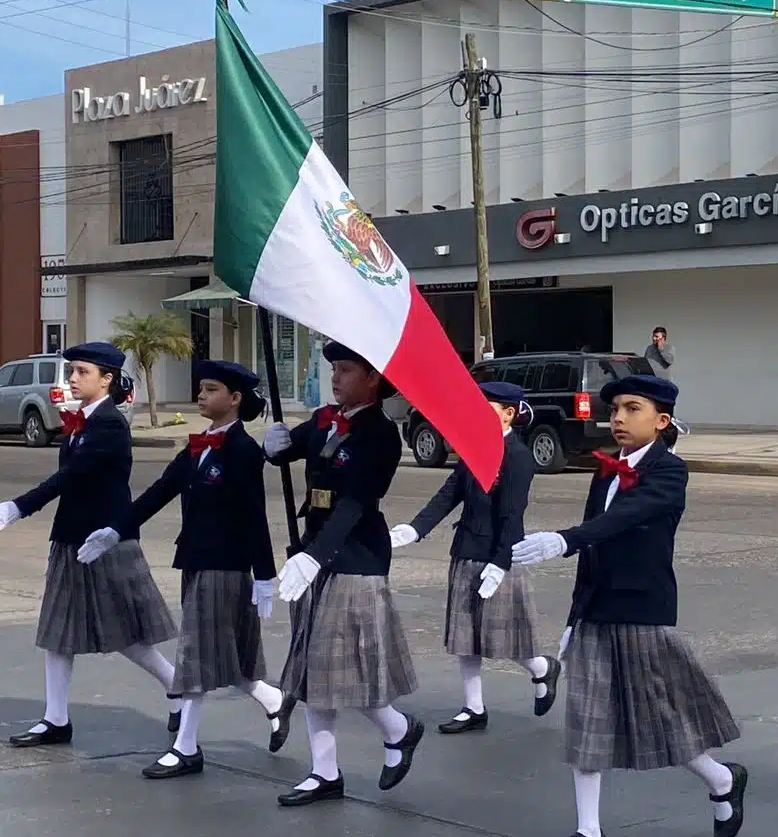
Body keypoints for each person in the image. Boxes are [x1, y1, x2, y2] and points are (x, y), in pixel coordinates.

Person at [511, 374, 747, 837]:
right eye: (615, 408)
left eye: (631, 408)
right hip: (597, 609)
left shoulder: (670, 471)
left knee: (662, 714)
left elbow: (624, 518)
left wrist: (564, 540)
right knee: (588, 718)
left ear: (661, 421)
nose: (618, 417)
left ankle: (722, 780)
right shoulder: (605, 469)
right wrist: (574, 617)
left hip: (643, 608)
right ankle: (588, 828)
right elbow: (596, 543)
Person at [88, 360, 296, 779]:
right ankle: (273, 700)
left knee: (195, 653)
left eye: (211, 388)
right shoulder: (199, 446)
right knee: (223, 652)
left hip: (226, 565)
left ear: (235, 399)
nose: (201, 395)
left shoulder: (241, 450)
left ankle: (186, 747)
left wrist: (264, 575)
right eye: (200, 388)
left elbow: (255, 515)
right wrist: (116, 529)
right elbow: (160, 492)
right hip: (196, 561)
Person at [0, 342, 180, 748]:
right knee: (58, 631)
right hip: (71, 538)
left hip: (103, 541)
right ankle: (56, 719)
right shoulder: (82, 423)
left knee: (126, 636)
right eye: (71, 371)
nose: (72, 378)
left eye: (81, 372)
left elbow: (72, 477)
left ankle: (178, 688)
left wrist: (21, 507)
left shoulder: (108, 424)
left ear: (106, 379)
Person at [262, 341, 421, 807]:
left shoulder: (381, 435)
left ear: (373, 378)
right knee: (314, 670)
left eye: (346, 370)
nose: (335, 377)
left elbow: (355, 504)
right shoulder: (323, 420)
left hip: (354, 559)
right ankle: (324, 772)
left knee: (349, 670)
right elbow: (294, 448)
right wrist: (275, 446)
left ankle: (399, 728)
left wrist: (316, 557)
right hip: (315, 555)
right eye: (334, 369)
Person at [390, 381, 562, 734]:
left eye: (487, 407)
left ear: (509, 413)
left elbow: (512, 515)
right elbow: (449, 494)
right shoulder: (474, 448)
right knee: (465, 636)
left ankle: (542, 668)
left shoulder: (516, 456)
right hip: (466, 551)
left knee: (506, 636)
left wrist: (500, 564)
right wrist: (415, 529)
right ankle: (473, 707)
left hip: (498, 556)